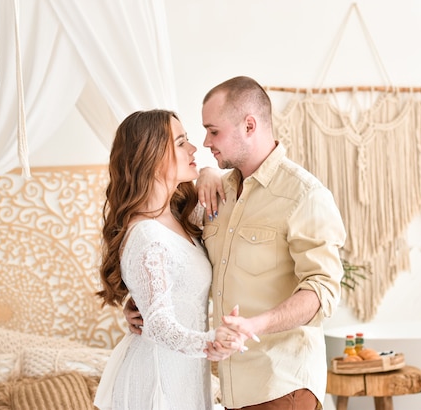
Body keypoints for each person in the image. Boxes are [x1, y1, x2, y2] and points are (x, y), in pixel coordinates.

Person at [126, 77, 347, 410]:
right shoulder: (216, 194)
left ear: (249, 125)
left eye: (214, 131)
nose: (205, 142)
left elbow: (322, 291)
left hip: (281, 385)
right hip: (229, 389)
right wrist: (142, 300)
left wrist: (256, 325)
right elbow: (172, 254)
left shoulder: (304, 195)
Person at [94, 109, 248, 410]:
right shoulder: (146, 235)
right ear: (150, 157)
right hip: (158, 376)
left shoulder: (181, 215)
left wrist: (208, 172)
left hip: (185, 372)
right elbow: (160, 326)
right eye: (181, 142)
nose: (194, 148)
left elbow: (227, 201)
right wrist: (212, 342)